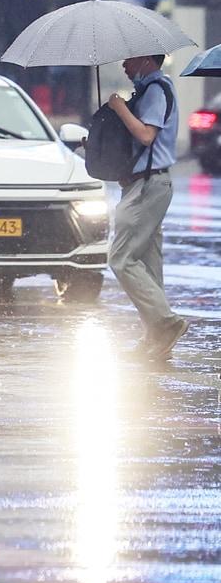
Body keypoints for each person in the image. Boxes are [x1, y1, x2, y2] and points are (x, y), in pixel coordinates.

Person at [106, 54, 186, 360]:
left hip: (148, 185)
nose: (124, 66)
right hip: (144, 184)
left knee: (121, 258)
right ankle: (156, 336)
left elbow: (146, 134)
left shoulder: (156, 89)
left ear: (145, 59)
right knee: (149, 263)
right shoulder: (148, 90)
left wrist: (119, 107)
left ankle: (166, 323)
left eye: (129, 60)